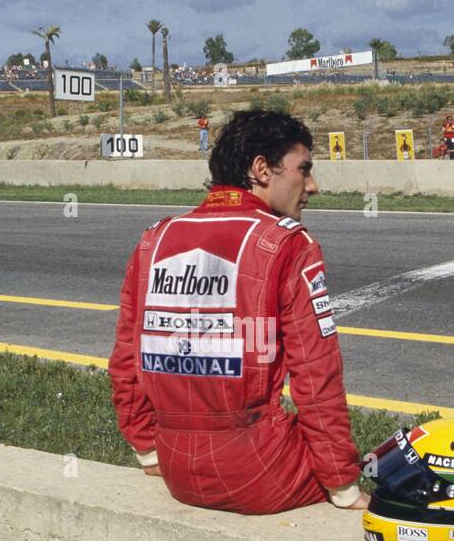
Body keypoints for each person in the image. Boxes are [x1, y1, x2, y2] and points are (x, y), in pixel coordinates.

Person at [109, 108, 367, 515]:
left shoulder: (154, 239)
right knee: (395, 460)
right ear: (263, 169)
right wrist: (343, 486)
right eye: (305, 169)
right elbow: (316, 376)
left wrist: (147, 451)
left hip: (176, 467)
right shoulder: (290, 244)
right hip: (260, 472)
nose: (312, 186)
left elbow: (127, 360)